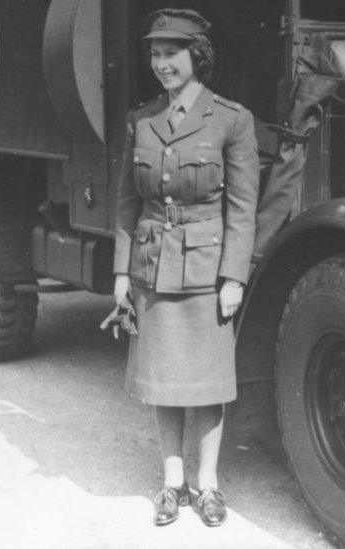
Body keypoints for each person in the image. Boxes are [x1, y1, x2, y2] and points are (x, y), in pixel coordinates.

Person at [111, 9, 259, 527]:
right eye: (155, 53)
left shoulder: (231, 119)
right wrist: (121, 274)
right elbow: (128, 201)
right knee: (163, 379)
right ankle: (172, 484)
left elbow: (242, 208)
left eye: (172, 53)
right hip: (153, 265)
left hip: (205, 266)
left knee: (209, 384)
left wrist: (234, 277)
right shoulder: (141, 120)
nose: (162, 63)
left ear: (197, 56)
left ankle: (209, 485)